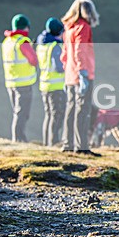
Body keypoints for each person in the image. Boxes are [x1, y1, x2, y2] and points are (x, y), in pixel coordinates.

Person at [60, 0, 100, 156]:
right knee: (83, 111)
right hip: (82, 74)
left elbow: (64, 54)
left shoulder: (69, 28)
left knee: (71, 109)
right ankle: (81, 146)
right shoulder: (83, 27)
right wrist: (83, 72)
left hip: (70, 75)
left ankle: (67, 143)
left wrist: (68, 71)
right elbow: (80, 50)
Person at [1, 14, 38, 142]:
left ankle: (19, 138)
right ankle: (18, 139)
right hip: (23, 83)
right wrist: (34, 50)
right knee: (22, 113)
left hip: (10, 82)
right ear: (26, 27)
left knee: (17, 112)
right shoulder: (22, 42)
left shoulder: (7, 41)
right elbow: (33, 60)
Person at [35, 17, 66, 146]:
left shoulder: (42, 45)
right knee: (57, 115)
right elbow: (58, 67)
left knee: (49, 115)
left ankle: (47, 142)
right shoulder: (55, 46)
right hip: (56, 86)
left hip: (45, 84)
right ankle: (54, 142)